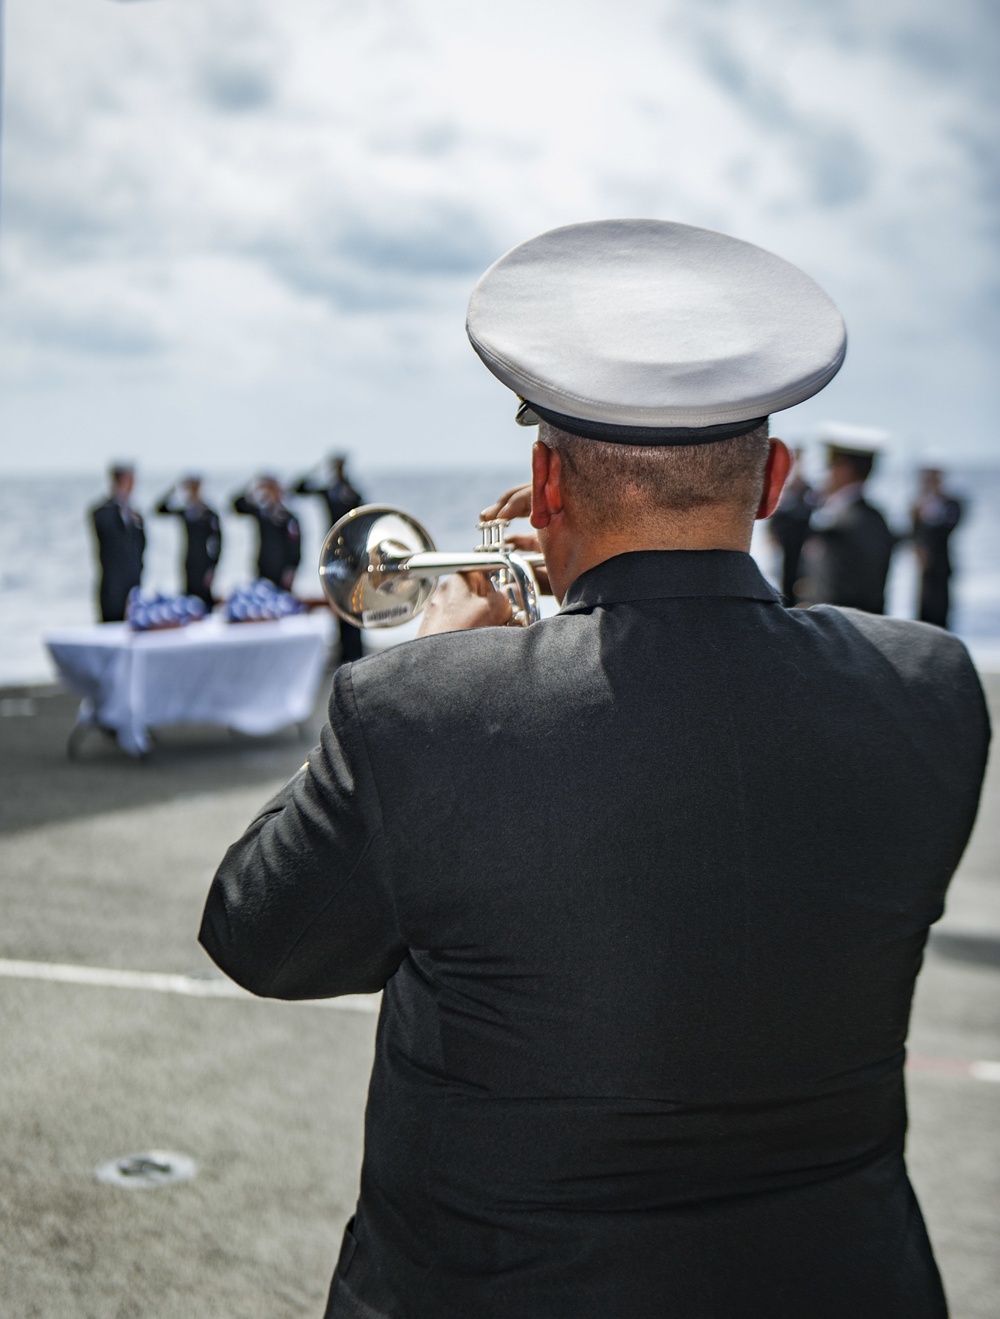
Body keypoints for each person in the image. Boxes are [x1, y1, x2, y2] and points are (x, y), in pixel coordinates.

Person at [200, 221, 990, 1319]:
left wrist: (434, 656)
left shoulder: (420, 711)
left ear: (544, 478)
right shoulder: (931, 687)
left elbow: (260, 936)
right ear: (771, 477)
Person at [799, 428, 896, 613]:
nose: (825, 474)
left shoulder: (861, 522)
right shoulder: (842, 515)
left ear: (845, 470)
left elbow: (862, 594)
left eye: (830, 465)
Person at [294, 455, 365, 660]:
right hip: (332, 551)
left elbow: (363, 515)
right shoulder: (328, 490)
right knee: (337, 599)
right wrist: (317, 468)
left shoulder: (352, 491)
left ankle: (356, 650)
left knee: (353, 600)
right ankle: (343, 650)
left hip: (352, 554)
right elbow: (298, 488)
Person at [155, 475, 222, 611]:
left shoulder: (209, 513)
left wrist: (214, 567)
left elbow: (219, 542)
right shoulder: (186, 512)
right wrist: (175, 488)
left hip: (205, 563)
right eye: (191, 487)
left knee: (206, 600)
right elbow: (159, 509)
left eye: (196, 487)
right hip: (189, 561)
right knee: (188, 599)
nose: (194, 491)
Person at [89, 464, 145, 623]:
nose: (133, 486)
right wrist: (118, 505)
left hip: (133, 583)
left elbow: (141, 545)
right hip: (112, 586)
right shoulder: (103, 511)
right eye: (129, 481)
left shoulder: (135, 514)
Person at [912, 466, 963, 629]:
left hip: (942, 563)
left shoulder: (951, 503)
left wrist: (931, 517)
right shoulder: (917, 506)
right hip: (924, 566)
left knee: (942, 607)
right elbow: (913, 533)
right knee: (923, 607)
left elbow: (951, 526)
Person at [231, 476, 301, 591]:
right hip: (263, 566)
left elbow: (295, 546)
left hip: (282, 569)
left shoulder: (289, 518)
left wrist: (292, 568)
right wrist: (253, 488)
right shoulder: (262, 514)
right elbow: (237, 505)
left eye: (274, 490)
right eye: (268, 491)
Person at [766, 445, 815, 604]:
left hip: (802, 548)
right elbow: (774, 519)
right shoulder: (784, 491)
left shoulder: (808, 491)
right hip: (785, 548)